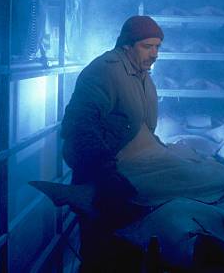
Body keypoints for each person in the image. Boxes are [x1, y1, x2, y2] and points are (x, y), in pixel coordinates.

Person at [60, 15, 163, 272]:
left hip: (128, 183)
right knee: (101, 259)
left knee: (128, 257)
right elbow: (80, 126)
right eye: (147, 46)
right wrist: (105, 173)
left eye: (157, 47)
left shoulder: (142, 75)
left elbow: (140, 129)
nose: (154, 54)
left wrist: (161, 151)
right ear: (128, 45)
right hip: (102, 183)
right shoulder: (104, 71)